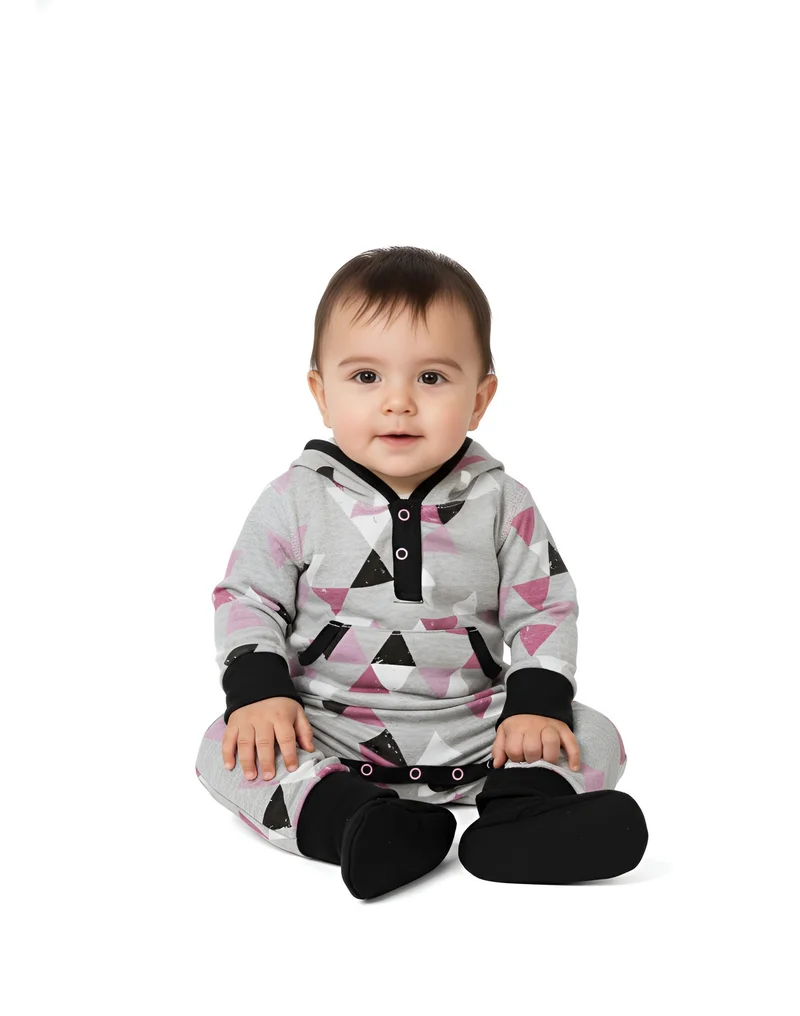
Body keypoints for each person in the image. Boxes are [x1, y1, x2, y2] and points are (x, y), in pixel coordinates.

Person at [194, 245, 649, 899]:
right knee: (226, 745)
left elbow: (544, 606)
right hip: (329, 729)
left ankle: (521, 816)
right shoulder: (295, 498)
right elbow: (248, 598)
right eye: (366, 376)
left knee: (592, 732)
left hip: (477, 731)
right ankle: (355, 822)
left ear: (480, 399)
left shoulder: (500, 501)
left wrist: (534, 708)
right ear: (321, 393)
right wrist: (260, 692)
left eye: (432, 378)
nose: (399, 402)